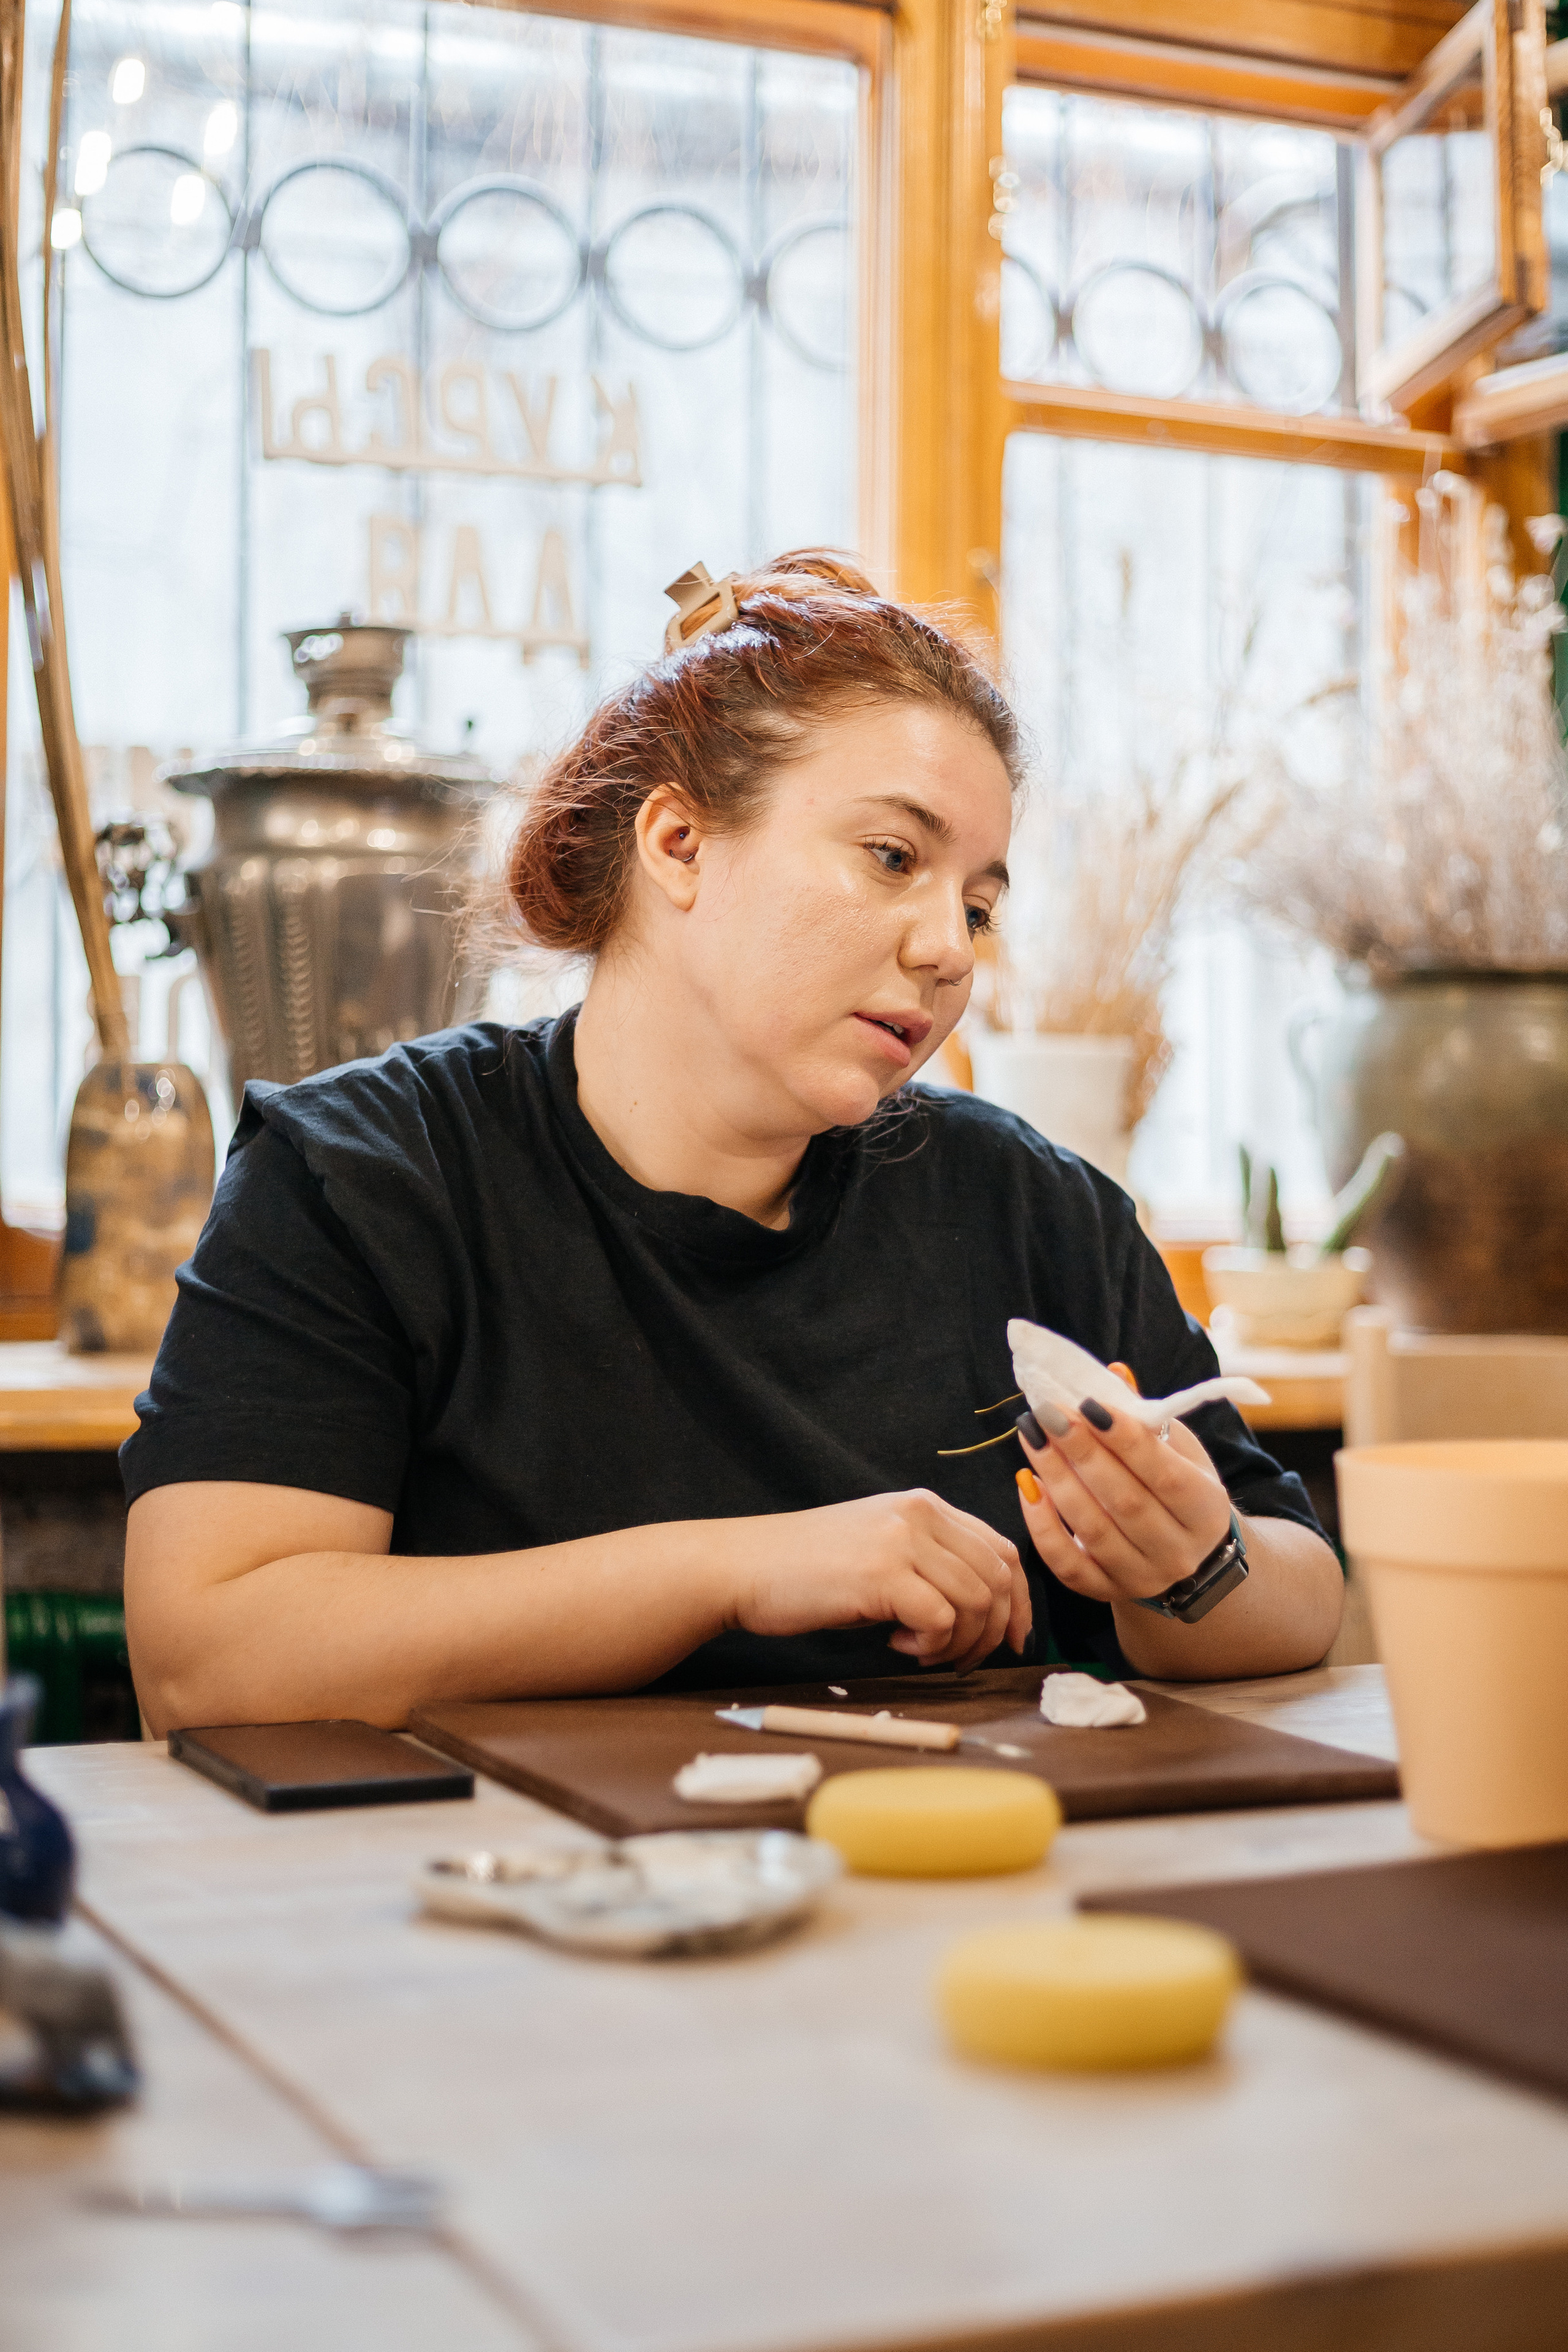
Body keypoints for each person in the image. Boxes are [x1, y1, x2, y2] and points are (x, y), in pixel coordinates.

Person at [123, 551, 1343, 1736]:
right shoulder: (364, 1174)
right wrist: (735, 1570)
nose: (949, 951)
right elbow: (211, 1657)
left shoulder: (1031, 1208)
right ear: (678, 844)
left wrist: (1190, 1565)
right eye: (892, 858)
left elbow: (1300, 1596)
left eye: (976, 906)